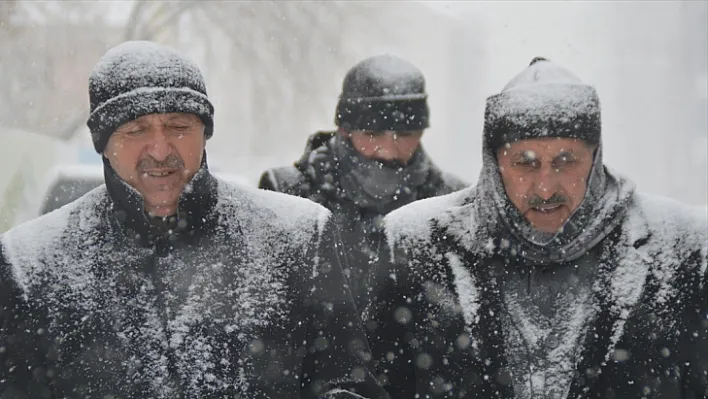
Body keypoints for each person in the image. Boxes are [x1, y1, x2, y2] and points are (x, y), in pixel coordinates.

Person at [0, 40, 388, 399]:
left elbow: (344, 385)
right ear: (104, 142)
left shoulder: (296, 238)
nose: (159, 149)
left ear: (205, 132)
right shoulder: (30, 264)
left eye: (179, 127)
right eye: (134, 130)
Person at [364, 57, 708, 398]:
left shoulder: (679, 243)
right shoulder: (415, 243)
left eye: (566, 161)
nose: (545, 188)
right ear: (494, 163)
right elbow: (372, 385)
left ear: (595, 156)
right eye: (524, 163)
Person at [259, 54, 467, 310]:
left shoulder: (454, 204)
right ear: (345, 130)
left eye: (405, 134)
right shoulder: (286, 195)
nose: (388, 150)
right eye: (373, 133)